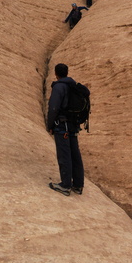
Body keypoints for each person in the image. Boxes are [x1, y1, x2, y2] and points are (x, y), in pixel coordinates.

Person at [47, 63, 84, 196]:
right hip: (73, 125)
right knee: (75, 155)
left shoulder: (59, 87)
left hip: (62, 126)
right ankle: (78, 185)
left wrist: (50, 125)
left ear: (56, 74)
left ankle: (65, 185)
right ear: (67, 73)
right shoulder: (73, 86)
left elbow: (54, 108)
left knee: (64, 155)